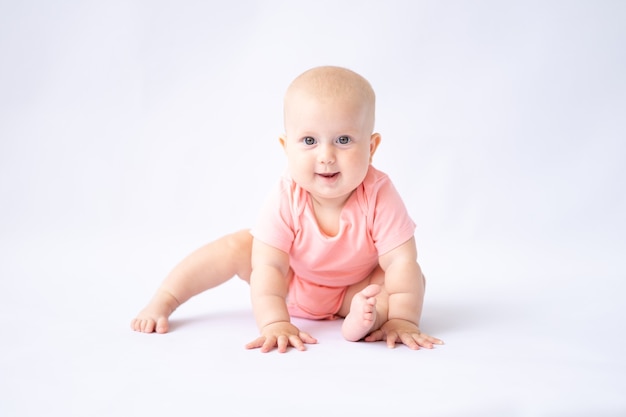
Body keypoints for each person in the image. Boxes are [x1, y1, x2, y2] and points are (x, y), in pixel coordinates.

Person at [131, 65, 443, 353]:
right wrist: (275, 322)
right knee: (239, 246)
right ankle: (166, 298)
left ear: (371, 148)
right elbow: (269, 268)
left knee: (407, 278)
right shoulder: (287, 196)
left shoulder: (379, 193)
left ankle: (367, 321)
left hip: (354, 290)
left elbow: (402, 260)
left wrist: (403, 319)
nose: (326, 156)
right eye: (309, 140)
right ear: (286, 147)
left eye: (344, 140)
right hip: (292, 286)